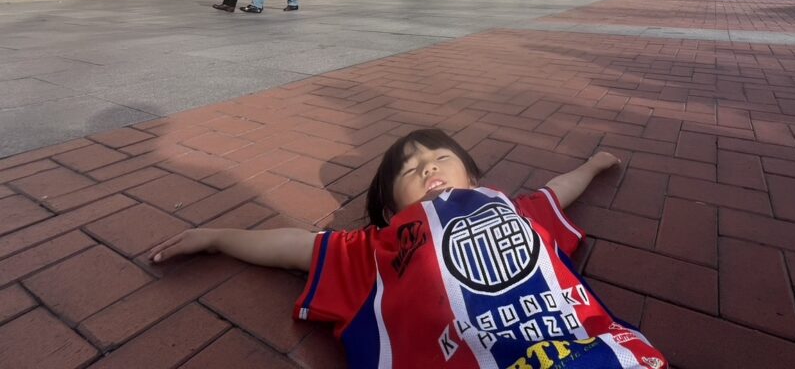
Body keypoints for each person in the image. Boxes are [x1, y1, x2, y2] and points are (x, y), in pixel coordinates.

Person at [149, 128, 667, 369]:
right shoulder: (379, 247)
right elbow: (296, 246)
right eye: (408, 170)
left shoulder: (514, 208)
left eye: (440, 156)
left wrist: (594, 164)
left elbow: (559, 189)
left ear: (474, 176)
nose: (427, 167)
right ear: (390, 209)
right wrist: (217, 237)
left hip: (584, 350)